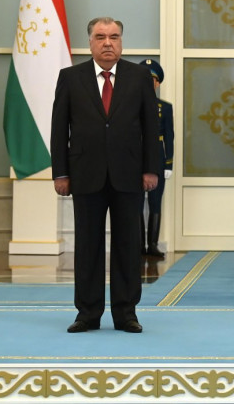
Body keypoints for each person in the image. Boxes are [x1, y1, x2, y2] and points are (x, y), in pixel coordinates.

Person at [51, 17, 160, 334]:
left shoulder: (139, 77)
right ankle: (88, 314)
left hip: (129, 175)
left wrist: (151, 168)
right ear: (90, 43)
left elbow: (150, 128)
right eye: (100, 37)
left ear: (122, 41)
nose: (108, 43)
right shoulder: (71, 78)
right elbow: (59, 129)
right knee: (88, 246)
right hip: (85, 174)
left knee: (128, 245)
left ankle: (126, 314)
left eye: (114, 36)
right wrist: (61, 172)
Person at [138, 59, 174, 258]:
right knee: (135, 203)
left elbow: (169, 136)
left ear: (157, 83)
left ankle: (152, 244)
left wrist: (169, 163)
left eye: (151, 80)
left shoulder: (165, 108)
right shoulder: (129, 105)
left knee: (155, 201)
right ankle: (138, 245)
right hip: (135, 157)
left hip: (157, 157)